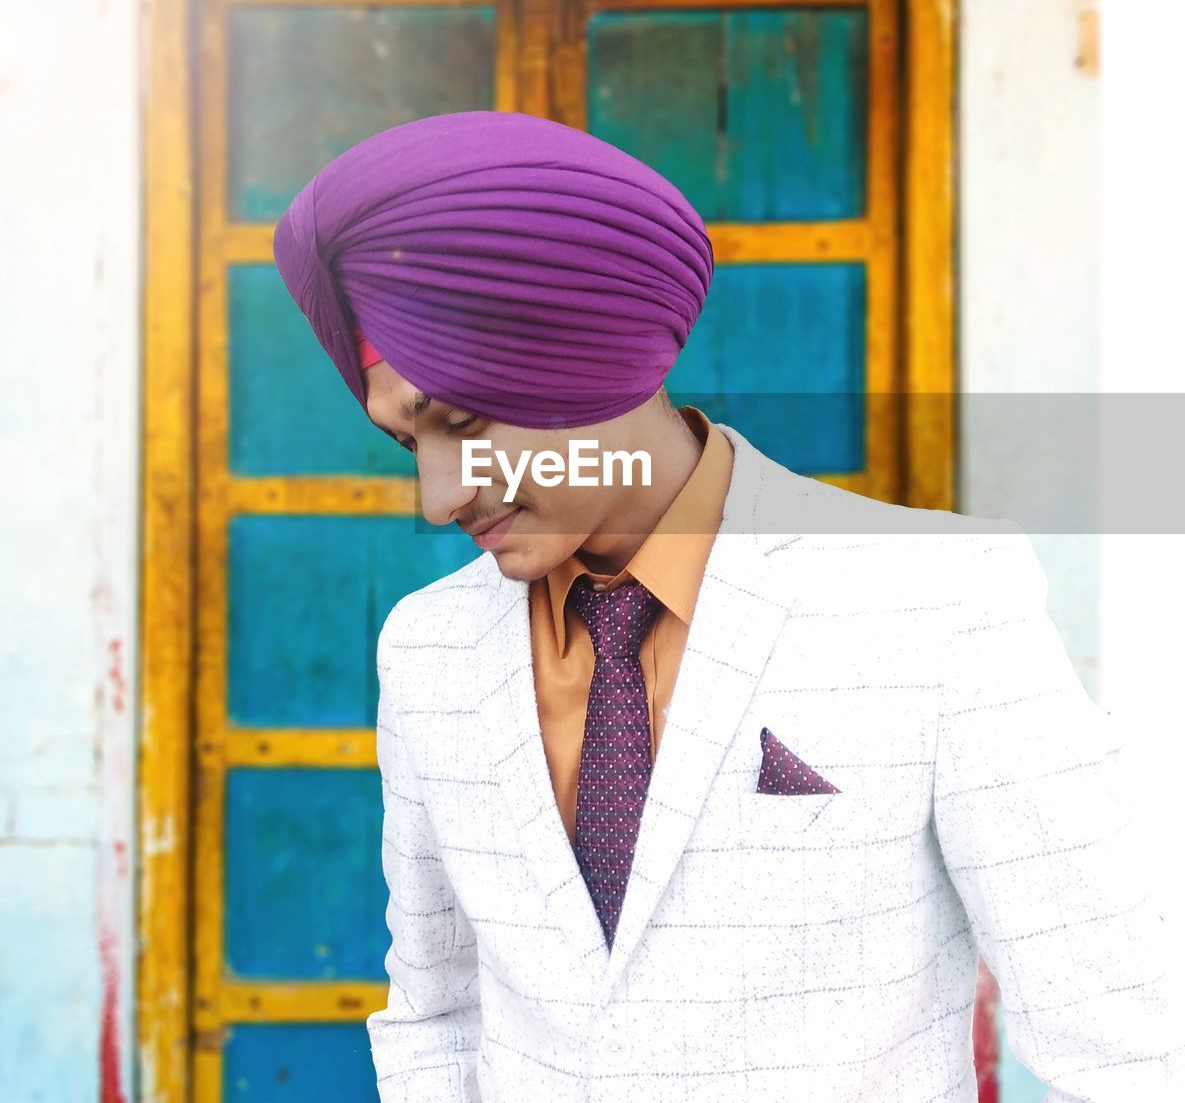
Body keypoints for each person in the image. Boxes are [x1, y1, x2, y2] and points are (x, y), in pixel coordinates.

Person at [273, 110, 1180, 1102]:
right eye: (411, 446)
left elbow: (1126, 1041)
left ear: (590, 349)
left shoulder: (937, 602)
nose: (442, 495)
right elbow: (439, 1011)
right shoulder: (429, 646)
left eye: (459, 421)